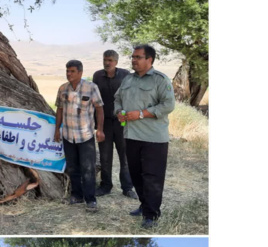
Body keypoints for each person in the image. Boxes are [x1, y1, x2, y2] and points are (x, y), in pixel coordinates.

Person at [115, 44, 176, 228]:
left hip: (153, 138)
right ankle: (144, 205)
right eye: (133, 57)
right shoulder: (128, 80)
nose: (134, 60)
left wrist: (141, 114)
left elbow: (168, 105)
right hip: (131, 135)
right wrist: (119, 111)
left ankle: (151, 214)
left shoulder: (160, 80)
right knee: (136, 175)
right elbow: (118, 98)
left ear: (149, 60)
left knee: (152, 176)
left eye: (138, 57)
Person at [54, 59, 105, 212]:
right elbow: (60, 110)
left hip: (86, 135)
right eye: (67, 71)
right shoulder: (63, 89)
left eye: (72, 71)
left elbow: (100, 109)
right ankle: (77, 195)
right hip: (68, 135)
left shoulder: (91, 87)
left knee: (88, 168)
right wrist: (57, 129)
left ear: (80, 73)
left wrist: (100, 130)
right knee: (72, 168)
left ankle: (91, 200)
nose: (69, 74)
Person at [91, 50, 137, 199]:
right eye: (105, 59)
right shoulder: (97, 76)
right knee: (105, 156)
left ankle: (128, 187)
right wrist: (97, 125)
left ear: (116, 62)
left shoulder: (126, 75)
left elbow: (131, 96)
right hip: (104, 123)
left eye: (110, 60)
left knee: (125, 155)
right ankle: (105, 186)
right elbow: (95, 101)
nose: (107, 63)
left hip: (122, 122)